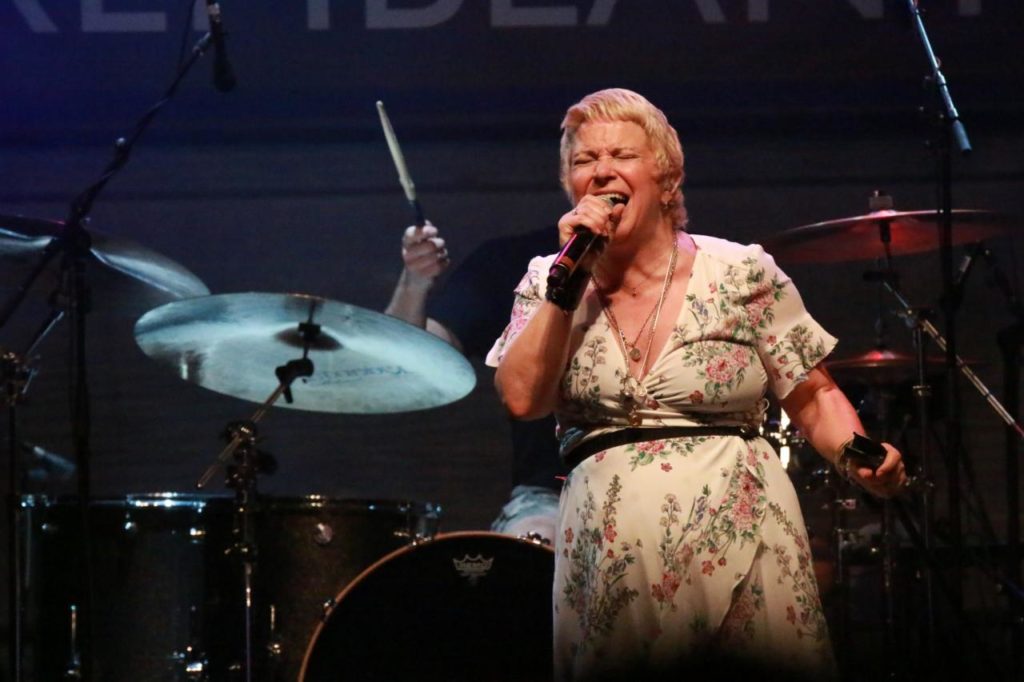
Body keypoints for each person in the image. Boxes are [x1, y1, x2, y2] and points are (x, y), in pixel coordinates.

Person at [485, 88, 908, 680]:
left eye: (622, 156)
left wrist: (857, 456)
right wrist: (567, 282)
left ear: (666, 178)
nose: (601, 171)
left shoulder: (739, 272)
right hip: (612, 549)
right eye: (584, 161)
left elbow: (813, 392)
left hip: (739, 525)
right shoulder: (548, 280)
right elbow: (523, 398)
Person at [385, 222, 567, 542]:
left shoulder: (683, 264)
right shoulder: (513, 261)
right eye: (582, 166)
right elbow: (411, 364)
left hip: (665, 475)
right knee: (529, 553)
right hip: (550, 495)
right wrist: (414, 282)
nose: (603, 172)